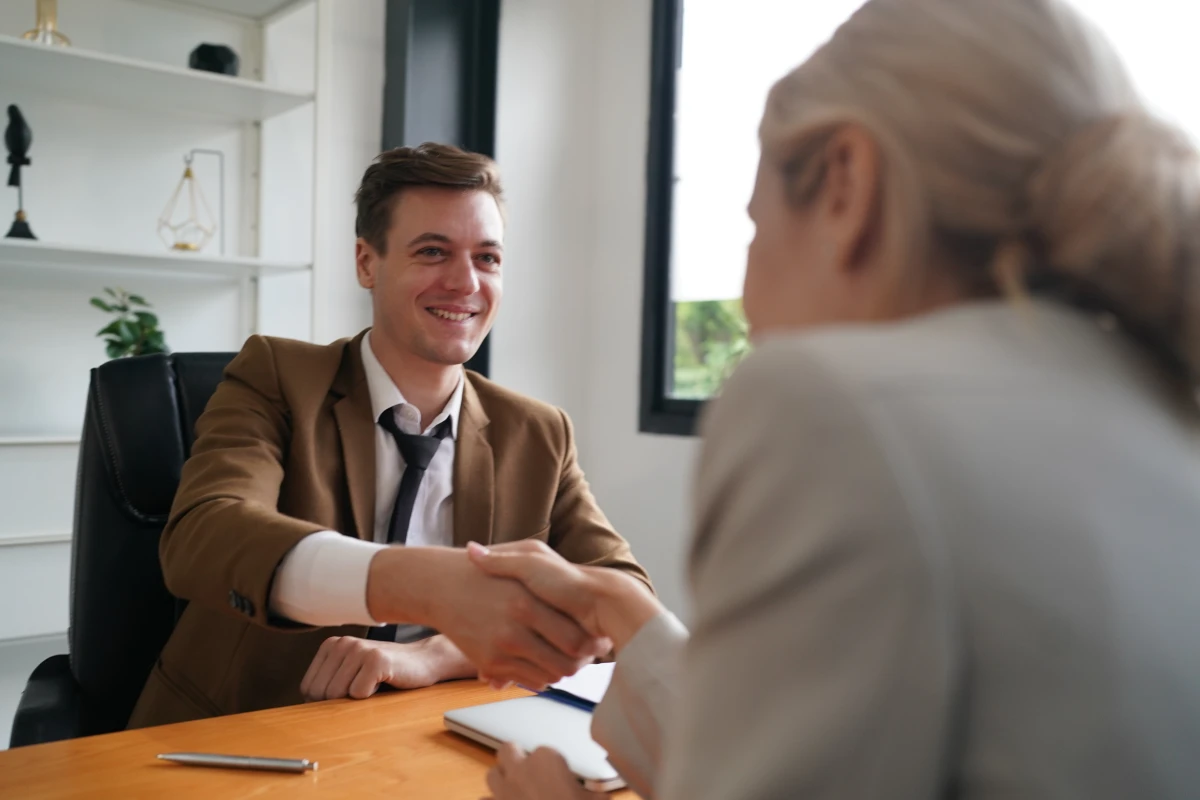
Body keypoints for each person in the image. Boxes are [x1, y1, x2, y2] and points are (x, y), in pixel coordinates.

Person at [468, 0, 1200, 797]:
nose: (748, 303)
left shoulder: (831, 409)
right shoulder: (1160, 407)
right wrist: (628, 616)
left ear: (847, 183)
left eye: (753, 227)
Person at [126, 143, 650, 729]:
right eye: (432, 251)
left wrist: (438, 653)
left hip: (431, 735)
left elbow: (622, 605)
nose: (466, 282)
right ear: (366, 263)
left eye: (487, 258)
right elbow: (205, 533)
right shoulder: (277, 376)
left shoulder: (538, 432)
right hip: (240, 732)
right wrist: (428, 586)